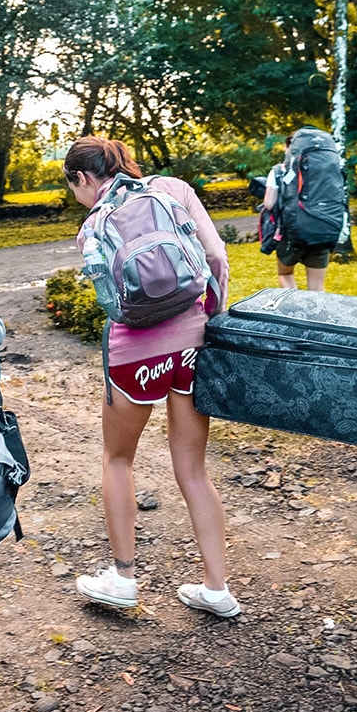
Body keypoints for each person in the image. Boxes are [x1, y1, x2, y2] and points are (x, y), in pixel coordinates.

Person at [64, 136, 240, 618]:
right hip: (192, 345)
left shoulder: (92, 226)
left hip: (135, 356)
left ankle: (122, 579)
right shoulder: (174, 190)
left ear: (83, 178)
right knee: (194, 470)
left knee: (117, 459)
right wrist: (211, 320)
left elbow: (113, 299)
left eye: (73, 187)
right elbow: (217, 257)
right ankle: (217, 587)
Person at [261, 133, 329, 291]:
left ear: (287, 148)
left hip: (290, 234)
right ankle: (317, 314)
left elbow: (269, 204)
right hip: (320, 232)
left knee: (285, 274)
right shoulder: (324, 170)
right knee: (317, 288)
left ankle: (295, 311)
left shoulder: (278, 171)